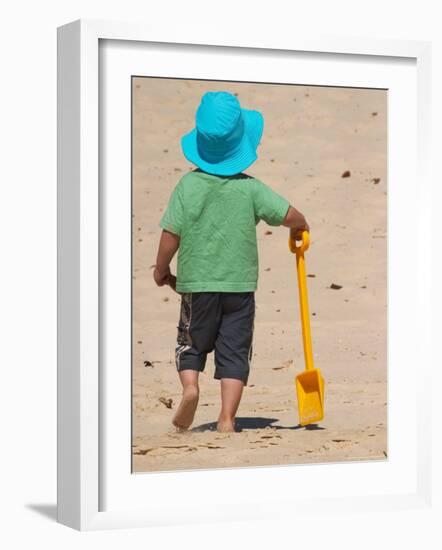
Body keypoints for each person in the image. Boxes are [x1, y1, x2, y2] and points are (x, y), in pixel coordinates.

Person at [153, 91, 309, 433]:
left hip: (197, 286)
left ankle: (191, 386)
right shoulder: (251, 189)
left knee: (191, 343)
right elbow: (286, 213)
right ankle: (227, 418)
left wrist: (161, 269)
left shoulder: (187, 186)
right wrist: (301, 224)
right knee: (235, 352)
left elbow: (170, 235)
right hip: (239, 288)